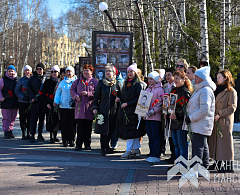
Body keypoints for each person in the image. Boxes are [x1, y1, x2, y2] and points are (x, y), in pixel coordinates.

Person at [186, 66, 216, 174]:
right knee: (203, 145)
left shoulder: (205, 91)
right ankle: (204, 165)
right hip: (199, 123)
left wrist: (190, 118)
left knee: (198, 147)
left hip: (200, 123)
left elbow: (204, 109)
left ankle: (196, 169)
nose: (195, 78)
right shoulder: (201, 89)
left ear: (203, 78)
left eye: (197, 77)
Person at [208, 69, 237, 172]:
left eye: (219, 77)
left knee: (225, 143)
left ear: (225, 78)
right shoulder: (215, 89)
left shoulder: (231, 91)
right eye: (217, 77)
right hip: (215, 120)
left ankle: (229, 166)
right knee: (216, 142)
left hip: (224, 121)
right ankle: (217, 163)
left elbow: (232, 107)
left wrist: (219, 114)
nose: (217, 79)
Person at [116, 63, 146, 159]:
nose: (129, 73)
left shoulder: (138, 84)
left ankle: (128, 150)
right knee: (132, 131)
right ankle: (136, 149)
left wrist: (128, 103)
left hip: (134, 110)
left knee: (131, 131)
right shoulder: (126, 83)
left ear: (135, 72)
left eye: (131, 71)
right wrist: (119, 98)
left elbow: (139, 98)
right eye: (128, 71)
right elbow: (123, 94)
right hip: (126, 110)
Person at [93, 65, 122, 156]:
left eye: (109, 71)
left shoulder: (117, 84)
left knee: (111, 130)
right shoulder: (101, 83)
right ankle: (103, 148)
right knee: (103, 130)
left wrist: (119, 99)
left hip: (114, 111)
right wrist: (95, 107)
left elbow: (122, 96)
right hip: (103, 110)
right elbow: (96, 96)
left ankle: (108, 147)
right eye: (106, 71)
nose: (107, 72)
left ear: (114, 73)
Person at [70, 65, 98, 151]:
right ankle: (78, 144)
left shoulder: (94, 81)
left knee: (88, 127)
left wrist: (88, 94)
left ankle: (87, 144)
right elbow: (72, 90)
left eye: (87, 71)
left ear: (91, 72)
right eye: (84, 71)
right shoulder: (78, 81)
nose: (85, 72)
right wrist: (75, 96)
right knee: (80, 127)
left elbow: (97, 93)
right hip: (80, 109)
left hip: (89, 108)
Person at [169, 71, 192, 166]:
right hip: (173, 120)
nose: (176, 80)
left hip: (181, 121)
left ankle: (183, 163)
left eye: (178, 78)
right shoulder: (174, 90)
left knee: (182, 143)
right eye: (175, 78)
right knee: (176, 143)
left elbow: (187, 108)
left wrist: (177, 115)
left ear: (183, 79)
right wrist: (167, 111)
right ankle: (177, 162)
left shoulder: (185, 91)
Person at [53, 66, 77, 147]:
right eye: (67, 72)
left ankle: (72, 140)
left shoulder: (76, 82)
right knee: (64, 124)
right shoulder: (62, 82)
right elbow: (58, 93)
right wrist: (56, 101)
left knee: (72, 124)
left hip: (73, 107)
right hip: (63, 106)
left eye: (70, 72)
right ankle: (65, 140)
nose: (68, 73)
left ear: (73, 73)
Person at [144, 71, 164, 163]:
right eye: (149, 79)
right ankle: (151, 153)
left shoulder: (159, 89)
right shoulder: (147, 89)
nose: (150, 80)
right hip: (147, 117)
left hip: (155, 117)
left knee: (156, 136)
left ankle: (156, 154)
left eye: (151, 79)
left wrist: (153, 110)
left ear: (156, 80)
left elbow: (161, 103)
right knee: (150, 136)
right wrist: (142, 111)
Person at [27, 63, 46, 143]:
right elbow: (28, 88)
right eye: (37, 69)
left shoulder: (45, 79)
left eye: (40, 69)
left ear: (43, 70)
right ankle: (32, 135)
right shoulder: (32, 78)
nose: (39, 70)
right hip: (34, 102)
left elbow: (46, 90)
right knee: (33, 119)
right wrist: (32, 97)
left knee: (41, 120)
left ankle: (40, 134)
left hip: (42, 102)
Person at [42, 65, 61, 144]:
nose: (54, 73)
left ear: (58, 73)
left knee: (56, 120)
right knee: (50, 120)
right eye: (52, 72)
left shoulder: (60, 82)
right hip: (49, 104)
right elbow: (43, 93)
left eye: (55, 72)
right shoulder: (47, 82)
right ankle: (51, 137)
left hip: (58, 104)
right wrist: (47, 103)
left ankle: (55, 136)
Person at [0, 65, 19, 139]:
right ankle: (6, 131)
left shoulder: (17, 80)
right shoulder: (3, 80)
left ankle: (10, 130)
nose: (11, 72)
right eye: (9, 71)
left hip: (15, 102)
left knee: (13, 118)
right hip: (6, 101)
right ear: (7, 72)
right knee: (6, 118)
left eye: (12, 71)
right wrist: (1, 97)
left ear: (15, 72)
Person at [162, 67, 176, 164]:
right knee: (169, 135)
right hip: (167, 113)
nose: (167, 77)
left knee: (174, 135)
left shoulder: (175, 86)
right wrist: (164, 112)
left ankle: (175, 155)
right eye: (166, 75)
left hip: (175, 114)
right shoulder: (165, 86)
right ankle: (172, 154)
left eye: (169, 75)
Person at [15, 65, 32, 140]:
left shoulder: (32, 79)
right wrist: (23, 97)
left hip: (31, 102)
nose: (27, 72)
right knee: (23, 118)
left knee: (30, 118)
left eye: (28, 70)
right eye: (26, 70)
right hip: (22, 102)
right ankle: (23, 133)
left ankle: (29, 132)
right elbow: (16, 90)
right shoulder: (21, 80)